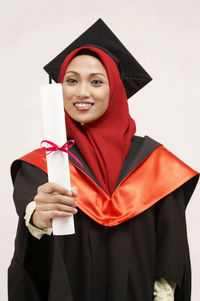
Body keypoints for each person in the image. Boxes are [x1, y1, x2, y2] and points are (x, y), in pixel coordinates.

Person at [8, 19, 199, 301]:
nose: (82, 92)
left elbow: (170, 255)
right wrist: (38, 218)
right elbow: (31, 251)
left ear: (116, 91)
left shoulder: (156, 164)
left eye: (96, 81)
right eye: (71, 80)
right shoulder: (42, 166)